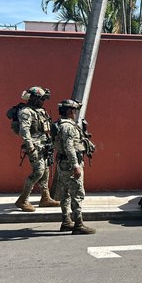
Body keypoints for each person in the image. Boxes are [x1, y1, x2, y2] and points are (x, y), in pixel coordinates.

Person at [52, 99, 96, 234]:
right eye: (75, 110)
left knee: (65, 193)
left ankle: (66, 221)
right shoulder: (69, 126)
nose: (76, 113)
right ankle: (78, 224)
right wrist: (76, 165)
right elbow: (69, 147)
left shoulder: (59, 124)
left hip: (62, 163)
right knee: (77, 193)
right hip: (71, 164)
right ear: (70, 111)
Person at [14, 86, 59, 212]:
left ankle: (45, 198)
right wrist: (30, 147)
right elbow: (25, 131)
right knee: (38, 171)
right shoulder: (26, 112)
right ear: (34, 98)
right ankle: (23, 199)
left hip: (44, 145)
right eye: (40, 99)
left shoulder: (41, 111)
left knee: (45, 171)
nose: (43, 101)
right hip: (34, 146)